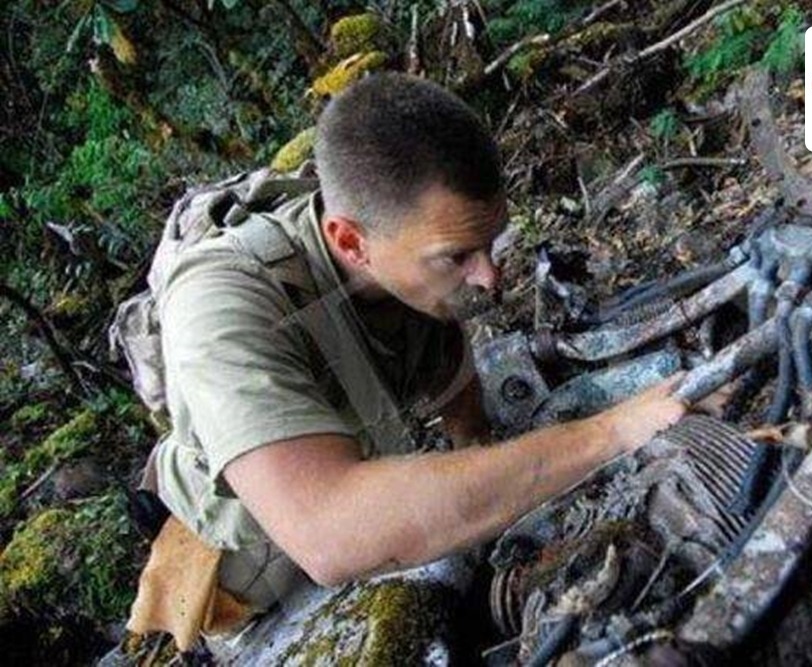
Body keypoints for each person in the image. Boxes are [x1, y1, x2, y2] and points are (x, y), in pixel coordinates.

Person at [142, 72, 701, 620]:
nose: (490, 276)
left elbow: (459, 396)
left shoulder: (406, 261)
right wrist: (610, 432)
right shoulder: (220, 303)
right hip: (251, 571)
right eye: (457, 256)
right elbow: (330, 536)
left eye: (492, 242)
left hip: (360, 478)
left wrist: (479, 445)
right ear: (350, 242)